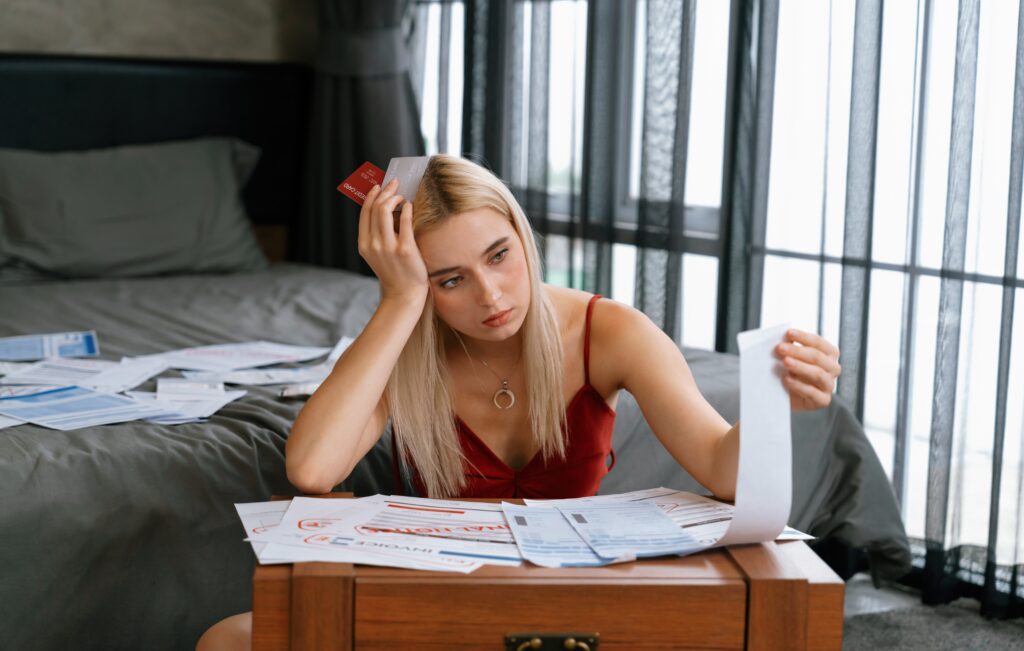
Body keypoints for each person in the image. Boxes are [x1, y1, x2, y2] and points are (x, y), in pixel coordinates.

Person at [196, 154, 841, 650]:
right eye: (450, 280)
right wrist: (399, 303)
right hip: (438, 601)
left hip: (572, 605)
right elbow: (312, 470)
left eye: (499, 256)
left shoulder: (609, 331)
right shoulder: (405, 344)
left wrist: (773, 398)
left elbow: (721, 466)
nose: (490, 295)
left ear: (522, 236)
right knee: (228, 639)